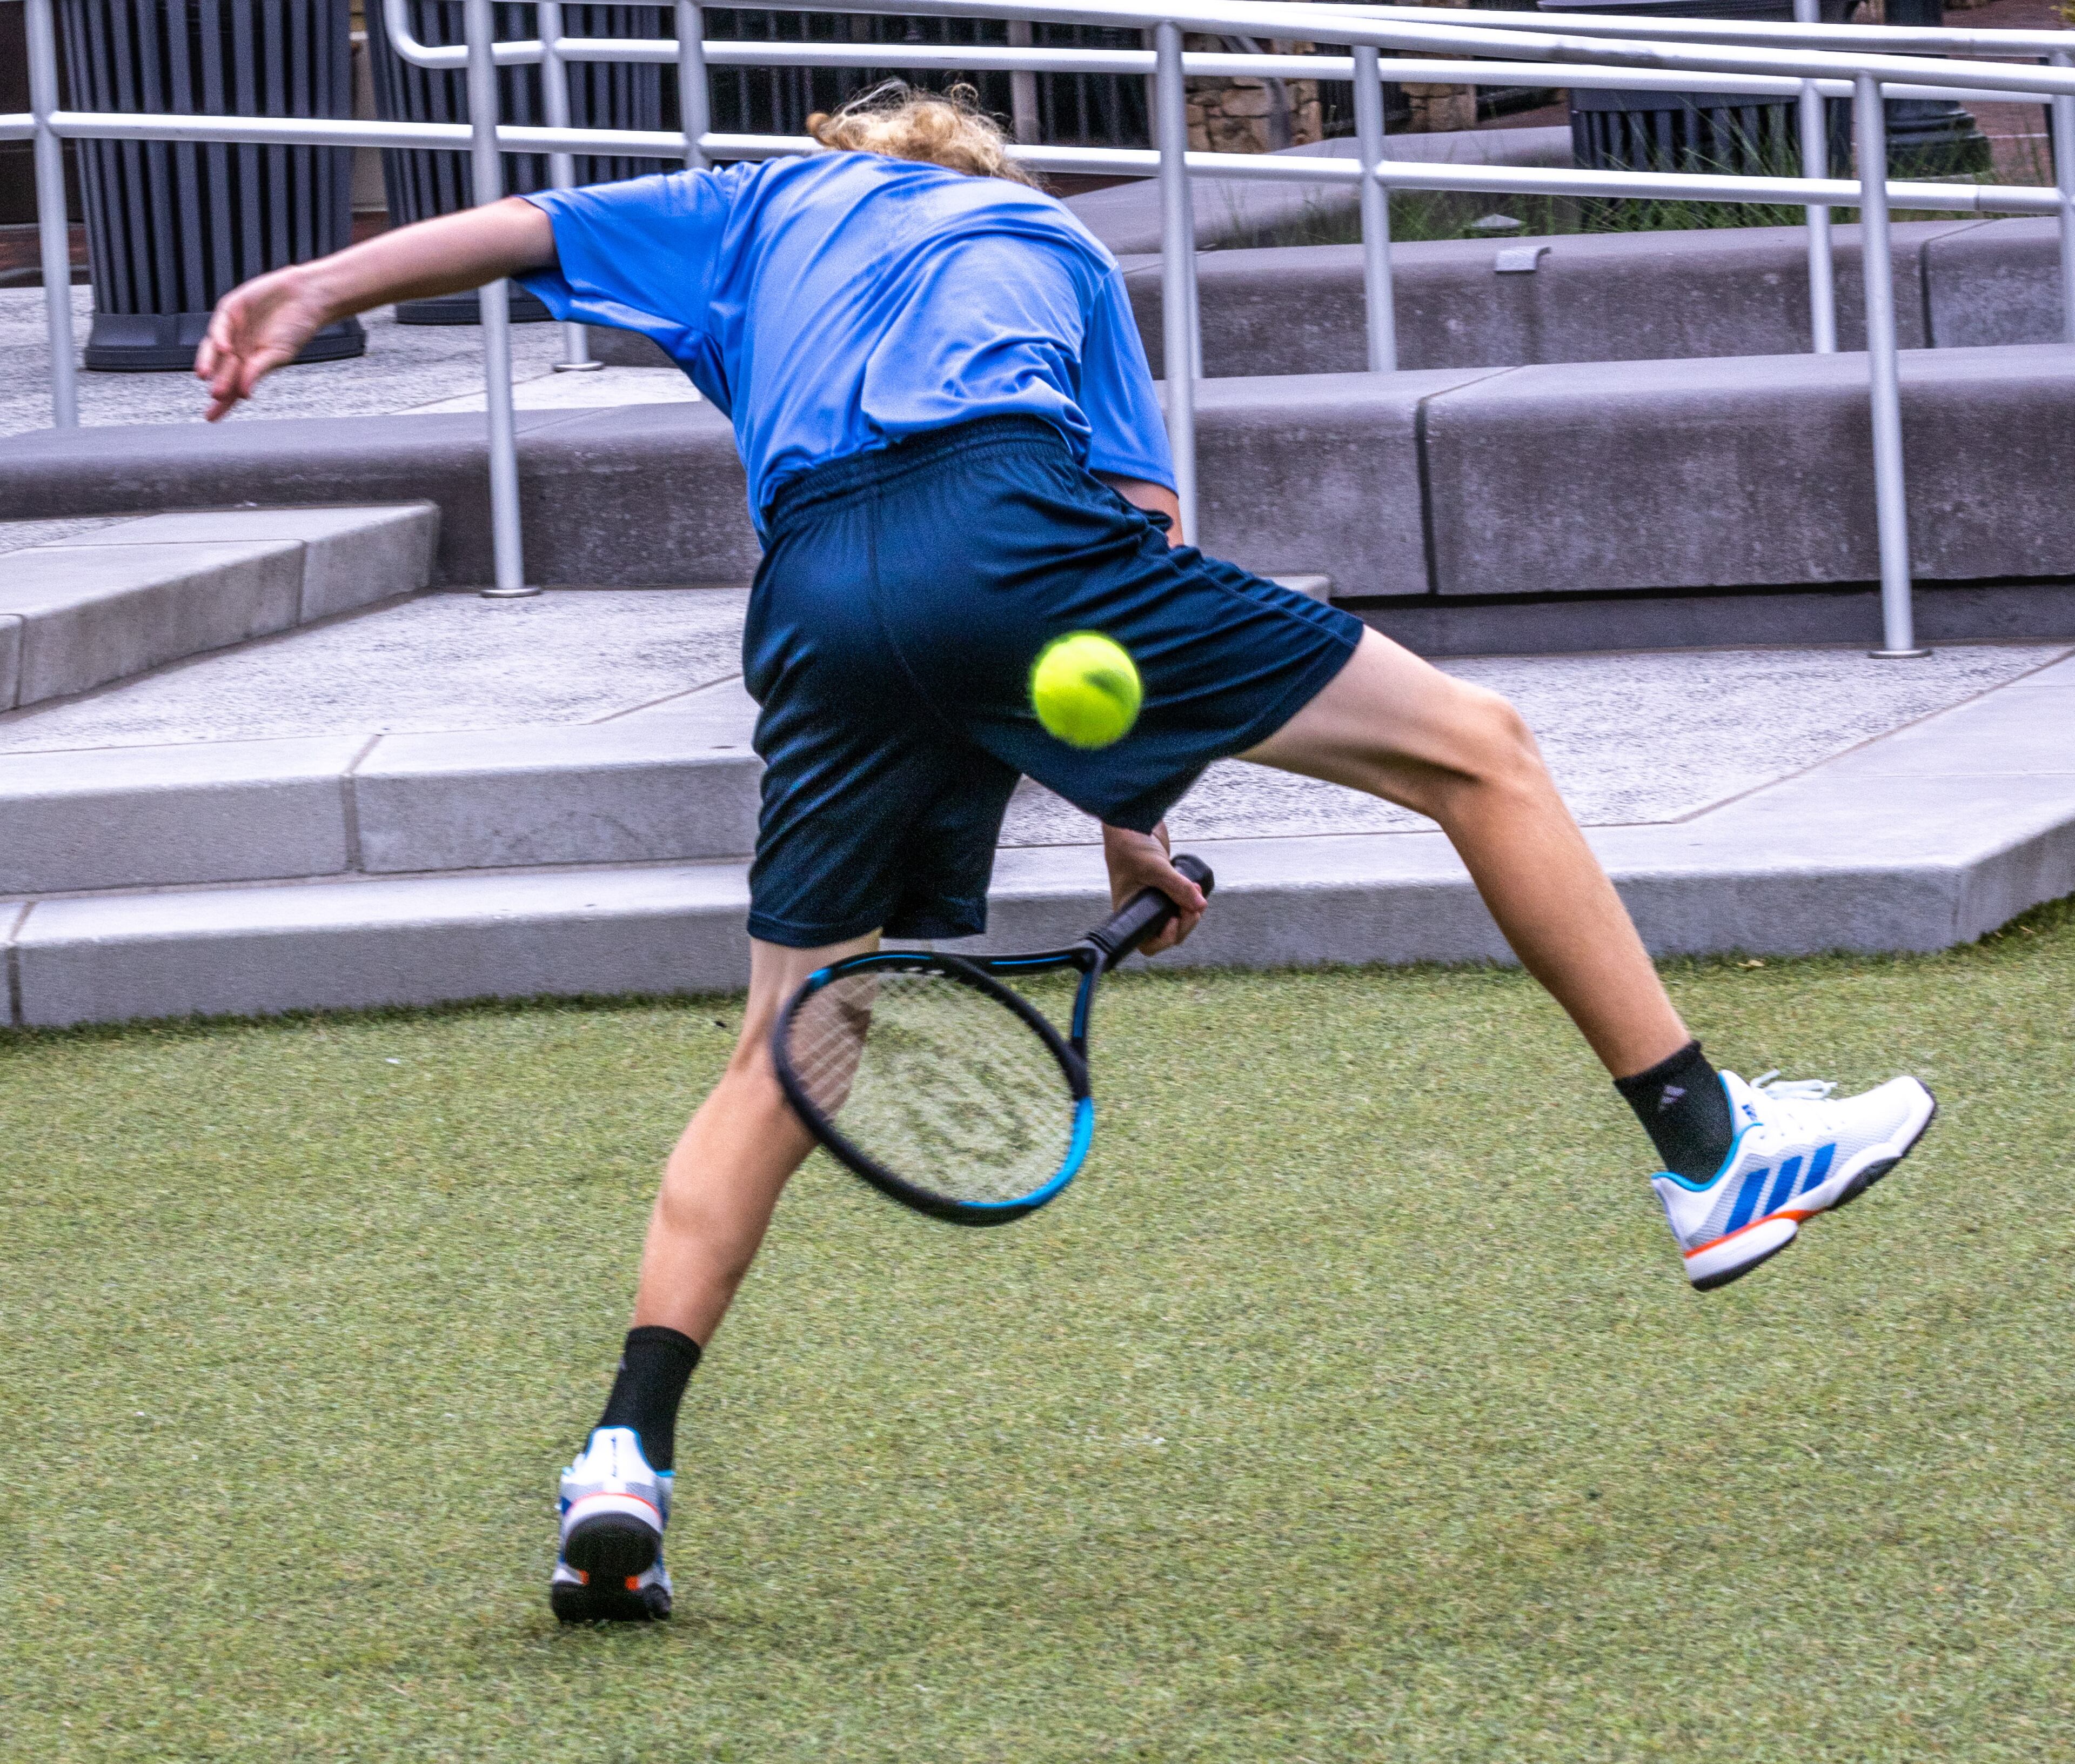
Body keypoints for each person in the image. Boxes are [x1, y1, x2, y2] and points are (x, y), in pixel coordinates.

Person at [198, 85, 1935, 1624]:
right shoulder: (1044, 236)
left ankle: (620, 1458)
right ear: (976, 164)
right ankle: (1711, 1155)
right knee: (1479, 754)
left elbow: (523, 225)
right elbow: (1137, 535)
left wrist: (320, 286)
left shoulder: (750, 206)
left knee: (788, 1048)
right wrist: (1133, 821)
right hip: (1005, 533)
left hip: (815, 600)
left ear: (849, 156)